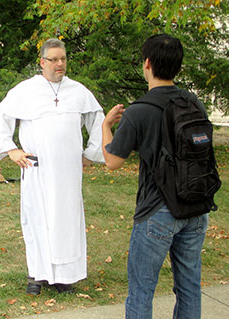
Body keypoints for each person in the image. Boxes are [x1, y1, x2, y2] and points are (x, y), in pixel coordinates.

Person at [102, 34, 208, 319]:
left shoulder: (139, 111)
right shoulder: (193, 102)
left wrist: (105, 126)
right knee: (189, 288)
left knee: (141, 291)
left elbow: (112, 161)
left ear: (147, 64)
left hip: (158, 212)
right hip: (196, 206)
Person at [0, 38, 105, 295]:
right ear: (42, 62)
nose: (59, 64)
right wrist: (12, 150)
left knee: (66, 221)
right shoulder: (25, 91)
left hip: (68, 172)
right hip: (37, 169)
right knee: (37, 220)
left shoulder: (78, 91)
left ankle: (64, 276)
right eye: (54, 59)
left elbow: (98, 120)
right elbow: (1, 120)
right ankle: (36, 275)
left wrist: (90, 154)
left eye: (62, 59)